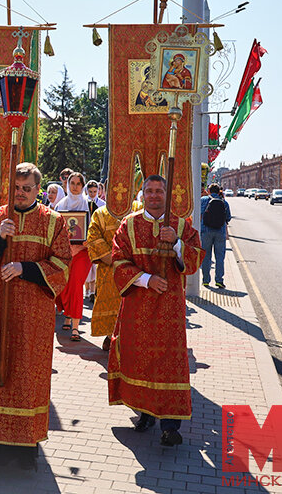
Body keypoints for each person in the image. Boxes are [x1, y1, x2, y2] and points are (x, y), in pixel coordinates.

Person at [0, 162, 71, 476]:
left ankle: (22, 455)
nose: (20, 194)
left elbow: (63, 264)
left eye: (27, 189)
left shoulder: (53, 222)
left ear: (38, 190)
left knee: (25, 378)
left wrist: (27, 268)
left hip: (32, 315)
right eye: (16, 188)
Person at [108, 175, 203, 447]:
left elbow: (196, 257)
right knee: (140, 359)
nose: (154, 196)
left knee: (169, 362)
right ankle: (146, 414)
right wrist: (147, 279)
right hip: (138, 304)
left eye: (159, 191)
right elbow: (118, 261)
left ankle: (170, 425)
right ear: (143, 194)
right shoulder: (129, 224)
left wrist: (177, 244)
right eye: (149, 191)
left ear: (167, 193)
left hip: (169, 307)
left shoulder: (181, 225)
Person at [55, 172, 92, 341]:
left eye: (78, 183)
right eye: (72, 183)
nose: (75, 186)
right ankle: (68, 315)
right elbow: (55, 231)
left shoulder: (90, 206)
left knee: (76, 285)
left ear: (82, 185)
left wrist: (83, 244)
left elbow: (94, 230)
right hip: (65, 253)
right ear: (67, 185)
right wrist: (67, 247)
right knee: (65, 286)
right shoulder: (60, 206)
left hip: (83, 254)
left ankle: (75, 326)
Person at [85, 202, 120, 351]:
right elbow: (93, 238)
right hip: (108, 270)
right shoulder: (100, 213)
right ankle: (109, 335)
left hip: (135, 269)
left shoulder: (139, 209)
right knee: (110, 302)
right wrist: (112, 258)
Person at [200, 183, 231, 289]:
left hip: (206, 231)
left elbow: (197, 214)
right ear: (218, 192)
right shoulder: (224, 202)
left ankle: (205, 281)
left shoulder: (203, 200)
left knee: (206, 257)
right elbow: (228, 218)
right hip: (220, 232)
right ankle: (219, 280)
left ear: (209, 191)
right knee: (219, 257)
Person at [83, 180, 107, 304]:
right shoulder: (83, 203)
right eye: (90, 191)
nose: (92, 194)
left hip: (98, 237)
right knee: (87, 266)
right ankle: (87, 289)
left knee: (95, 265)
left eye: (94, 191)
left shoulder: (103, 204)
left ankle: (93, 290)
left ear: (98, 191)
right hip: (86, 238)